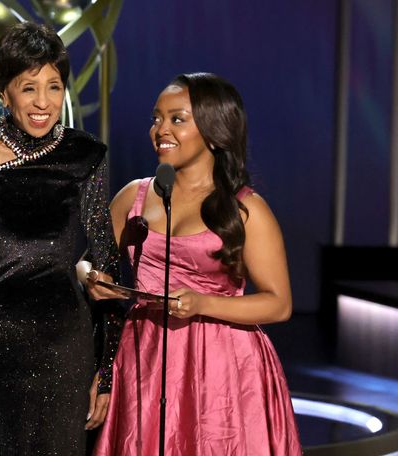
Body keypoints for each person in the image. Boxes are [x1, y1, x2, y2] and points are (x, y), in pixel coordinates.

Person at [0, 22, 124, 455]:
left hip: (64, 346)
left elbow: (108, 266)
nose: (43, 103)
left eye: (53, 87)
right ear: (4, 93)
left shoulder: (85, 154)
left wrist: (105, 369)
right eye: (28, 87)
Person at [93, 73, 302, 455]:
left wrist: (203, 303)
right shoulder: (133, 197)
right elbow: (87, 266)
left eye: (177, 119)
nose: (161, 130)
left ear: (213, 129)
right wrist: (95, 280)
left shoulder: (246, 208)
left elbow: (279, 303)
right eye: (156, 118)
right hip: (146, 357)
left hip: (225, 368)